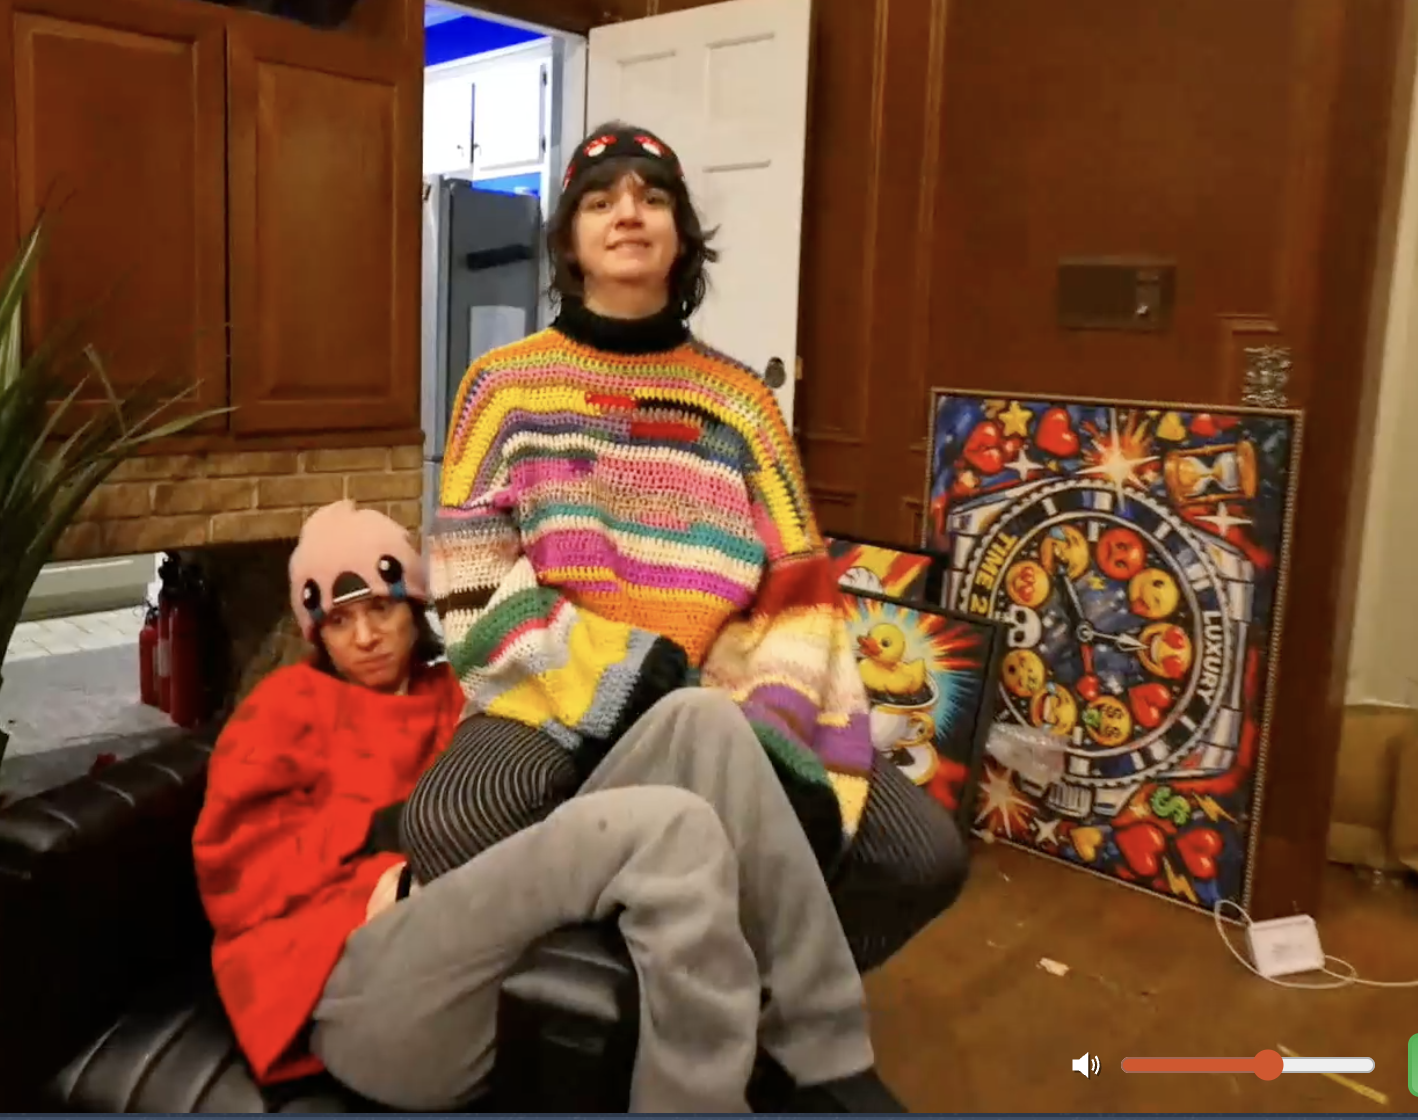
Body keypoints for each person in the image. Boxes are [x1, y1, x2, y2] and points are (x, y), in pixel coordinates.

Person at [413, 122, 969, 972]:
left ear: (680, 236)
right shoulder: (502, 388)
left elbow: (800, 590)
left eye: (653, 197)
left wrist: (772, 725)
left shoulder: (743, 403)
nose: (628, 213)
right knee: (447, 822)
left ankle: (755, 982)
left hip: (724, 697)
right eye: (600, 201)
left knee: (922, 856)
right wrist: (623, 676)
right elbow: (471, 583)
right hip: (552, 687)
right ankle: (619, 985)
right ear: (570, 241)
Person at [193, 501, 901, 1112]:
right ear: (317, 632)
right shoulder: (285, 707)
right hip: (365, 998)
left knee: (702, 719)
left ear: (414, 605)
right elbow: (233, 870)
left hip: (478, 962)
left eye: (381, 608)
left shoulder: (457, 690)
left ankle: (823, 1047)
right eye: (341, 621)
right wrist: (375, 866)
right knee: (669, 830)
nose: (366, 636)